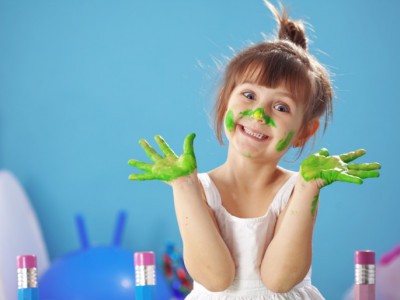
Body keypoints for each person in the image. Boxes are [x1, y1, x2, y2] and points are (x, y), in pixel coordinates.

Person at [128, 1, 381, 299]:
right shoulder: (199, 187)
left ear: (303, 132)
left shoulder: (297, 188)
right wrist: (184, 186)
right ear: (225, 101)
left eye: (281, 106)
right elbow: (215, 277)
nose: (259, 114)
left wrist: (308, 188)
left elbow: (279, 279)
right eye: (249, 95)